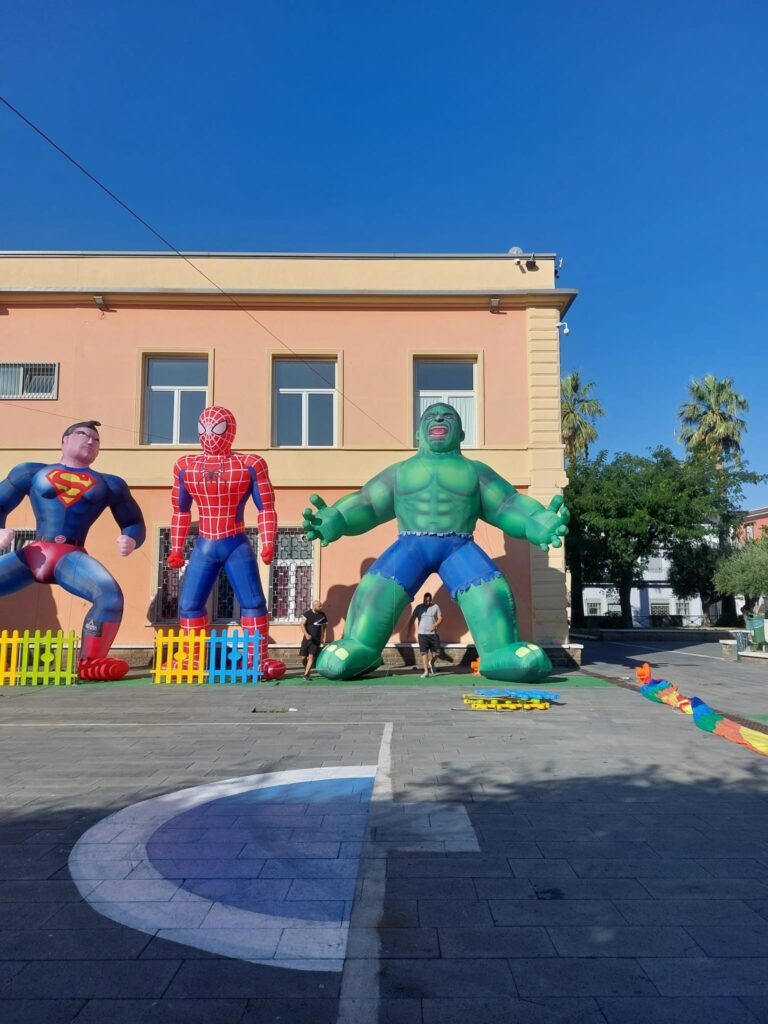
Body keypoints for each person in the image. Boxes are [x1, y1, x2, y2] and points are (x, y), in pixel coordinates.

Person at [303, 403, 568, 682]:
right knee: (374, 591)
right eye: (430, 415)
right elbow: (368, 502)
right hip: (409, 547)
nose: (439, 417)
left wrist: (535, 521)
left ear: (462, 433)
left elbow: (506, 504)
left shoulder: (475, 471)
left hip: (459, 547)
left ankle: (499, 651)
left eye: (448, 415)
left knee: (491, 592)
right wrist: (339, 519)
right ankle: (360, 646)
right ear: (418, 432)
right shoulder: (401, 471)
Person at [0, 420, 145, 680]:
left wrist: (131, 539)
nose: (90, 441)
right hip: (35, 552)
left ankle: (91, 661)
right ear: (64, 441)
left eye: (96, 440)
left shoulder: (110, 484)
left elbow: (133, 521)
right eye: (83, 435)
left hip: (71, 556)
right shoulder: (29, 472)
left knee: (110, 594)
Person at [167, 405, 285, 680]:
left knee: (253, 601)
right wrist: (175, 547)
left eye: (216, 429)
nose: (209, 435)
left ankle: (258, 659)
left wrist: (268, 541)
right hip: (205, 542)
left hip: (234, 541)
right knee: (188, 604)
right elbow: (180, 511)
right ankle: (192, 660)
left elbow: (266, 507)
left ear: (230, 431)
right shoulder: (185, 466)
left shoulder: (250, 463)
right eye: (204, 429)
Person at [414, 592, 442, 677]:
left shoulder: (435, 607)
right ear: (423, 599)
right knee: (424, 653)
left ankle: (432, 662)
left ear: (431, 600)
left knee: (437, 653)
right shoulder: (419, 607)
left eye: (429, 600)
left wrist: (435, 625)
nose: (427, 602)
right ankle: (426, 672)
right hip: (422, 634)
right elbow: (412, 618)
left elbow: (440, 618)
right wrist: (409, 629)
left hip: (433, 634)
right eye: (426, 600)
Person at [300, 599, 327, 679]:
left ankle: (306, 674)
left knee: (311, 657)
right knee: (303, 658)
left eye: (321, 605)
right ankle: (307, 667)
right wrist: (306, 634)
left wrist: (324, 638)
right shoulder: (307, 614)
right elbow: (302, 624)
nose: (321, 607)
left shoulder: (322, 615)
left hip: (316, 640)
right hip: (306, 639)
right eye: (319, 606)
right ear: (314, 606)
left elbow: (325, 627)